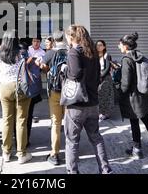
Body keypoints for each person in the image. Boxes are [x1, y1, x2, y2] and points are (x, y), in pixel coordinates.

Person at [64, 25, 112, 174]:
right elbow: (99, 75)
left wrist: (64, 70)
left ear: (72, 38)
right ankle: (105, 170)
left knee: (72, 141)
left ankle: (73, 171)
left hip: (77, 105)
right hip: (93, 103)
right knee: (96, 138)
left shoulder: (73, 52)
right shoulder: (92, 53)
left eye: (67, 37)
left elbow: (75, 74)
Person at [117, 32, 148, 159]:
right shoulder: (139, 56)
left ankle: (137, 149)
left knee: (134, 122)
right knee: (146, 119)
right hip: (143, 94)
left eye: (120, 44)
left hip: (132, 97)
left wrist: (119, 91)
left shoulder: (126, 59)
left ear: (125, 46)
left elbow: (125, 83)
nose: (118, 46)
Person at [0, 30, 32, 164]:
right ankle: (21, 154)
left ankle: (6, 153)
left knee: (7, 119)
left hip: (4, 87)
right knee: (21, 120)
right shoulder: (21, 53)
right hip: (19, 87)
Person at [39, 30, 68, 166]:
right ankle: (71, 152)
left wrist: (42, 65)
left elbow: (42, 66)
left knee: (56, 123)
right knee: (70, 122)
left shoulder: (50, 53)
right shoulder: (70, 52)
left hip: (55, 91)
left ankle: (55, 154)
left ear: (54, 40)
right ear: (65, 39)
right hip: (70, 93)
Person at [26, 39, 44, 147]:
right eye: (33, 41)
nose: (35, 43)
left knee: (30, 110)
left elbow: (43, 67)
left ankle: (26, 138)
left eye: (37, 41)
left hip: (34, 82)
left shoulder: (43, 52)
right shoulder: (27, 50)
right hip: (24, 82)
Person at [96, 40, 115, 122]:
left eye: (100, 45)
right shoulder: (94, 56)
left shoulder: (107, 55)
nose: (98, 47)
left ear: (104, 47)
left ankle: (105, 114)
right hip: (96, 78)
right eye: (97, 45)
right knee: (98, 96)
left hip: (105, 78)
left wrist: (101, 76)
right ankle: (99, 112)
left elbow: (107, 68)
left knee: (106, 96)